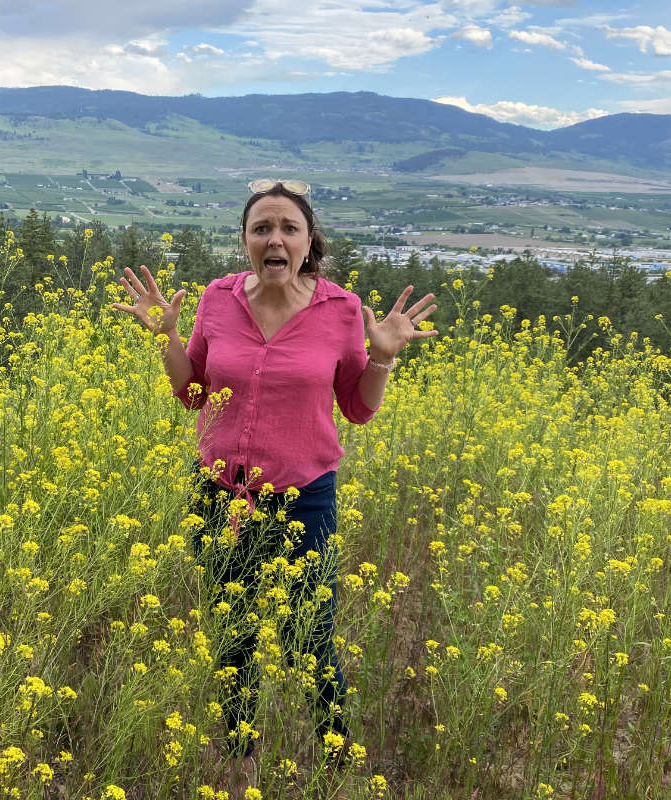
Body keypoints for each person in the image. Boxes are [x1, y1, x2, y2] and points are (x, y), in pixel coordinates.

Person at [112, 179, 437, 780]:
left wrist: (385, 355)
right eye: (262, 227)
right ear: (245, 241)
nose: (275, 238)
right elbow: (194, 393)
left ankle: (336, 761)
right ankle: (238, 759)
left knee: (307, 638)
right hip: (219, 495)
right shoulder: (216, 298)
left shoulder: (340, 310)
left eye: (288, 227)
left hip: (303, 498)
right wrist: (166, 337)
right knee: (232, 633)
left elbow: (359, 408)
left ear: (308, 239)